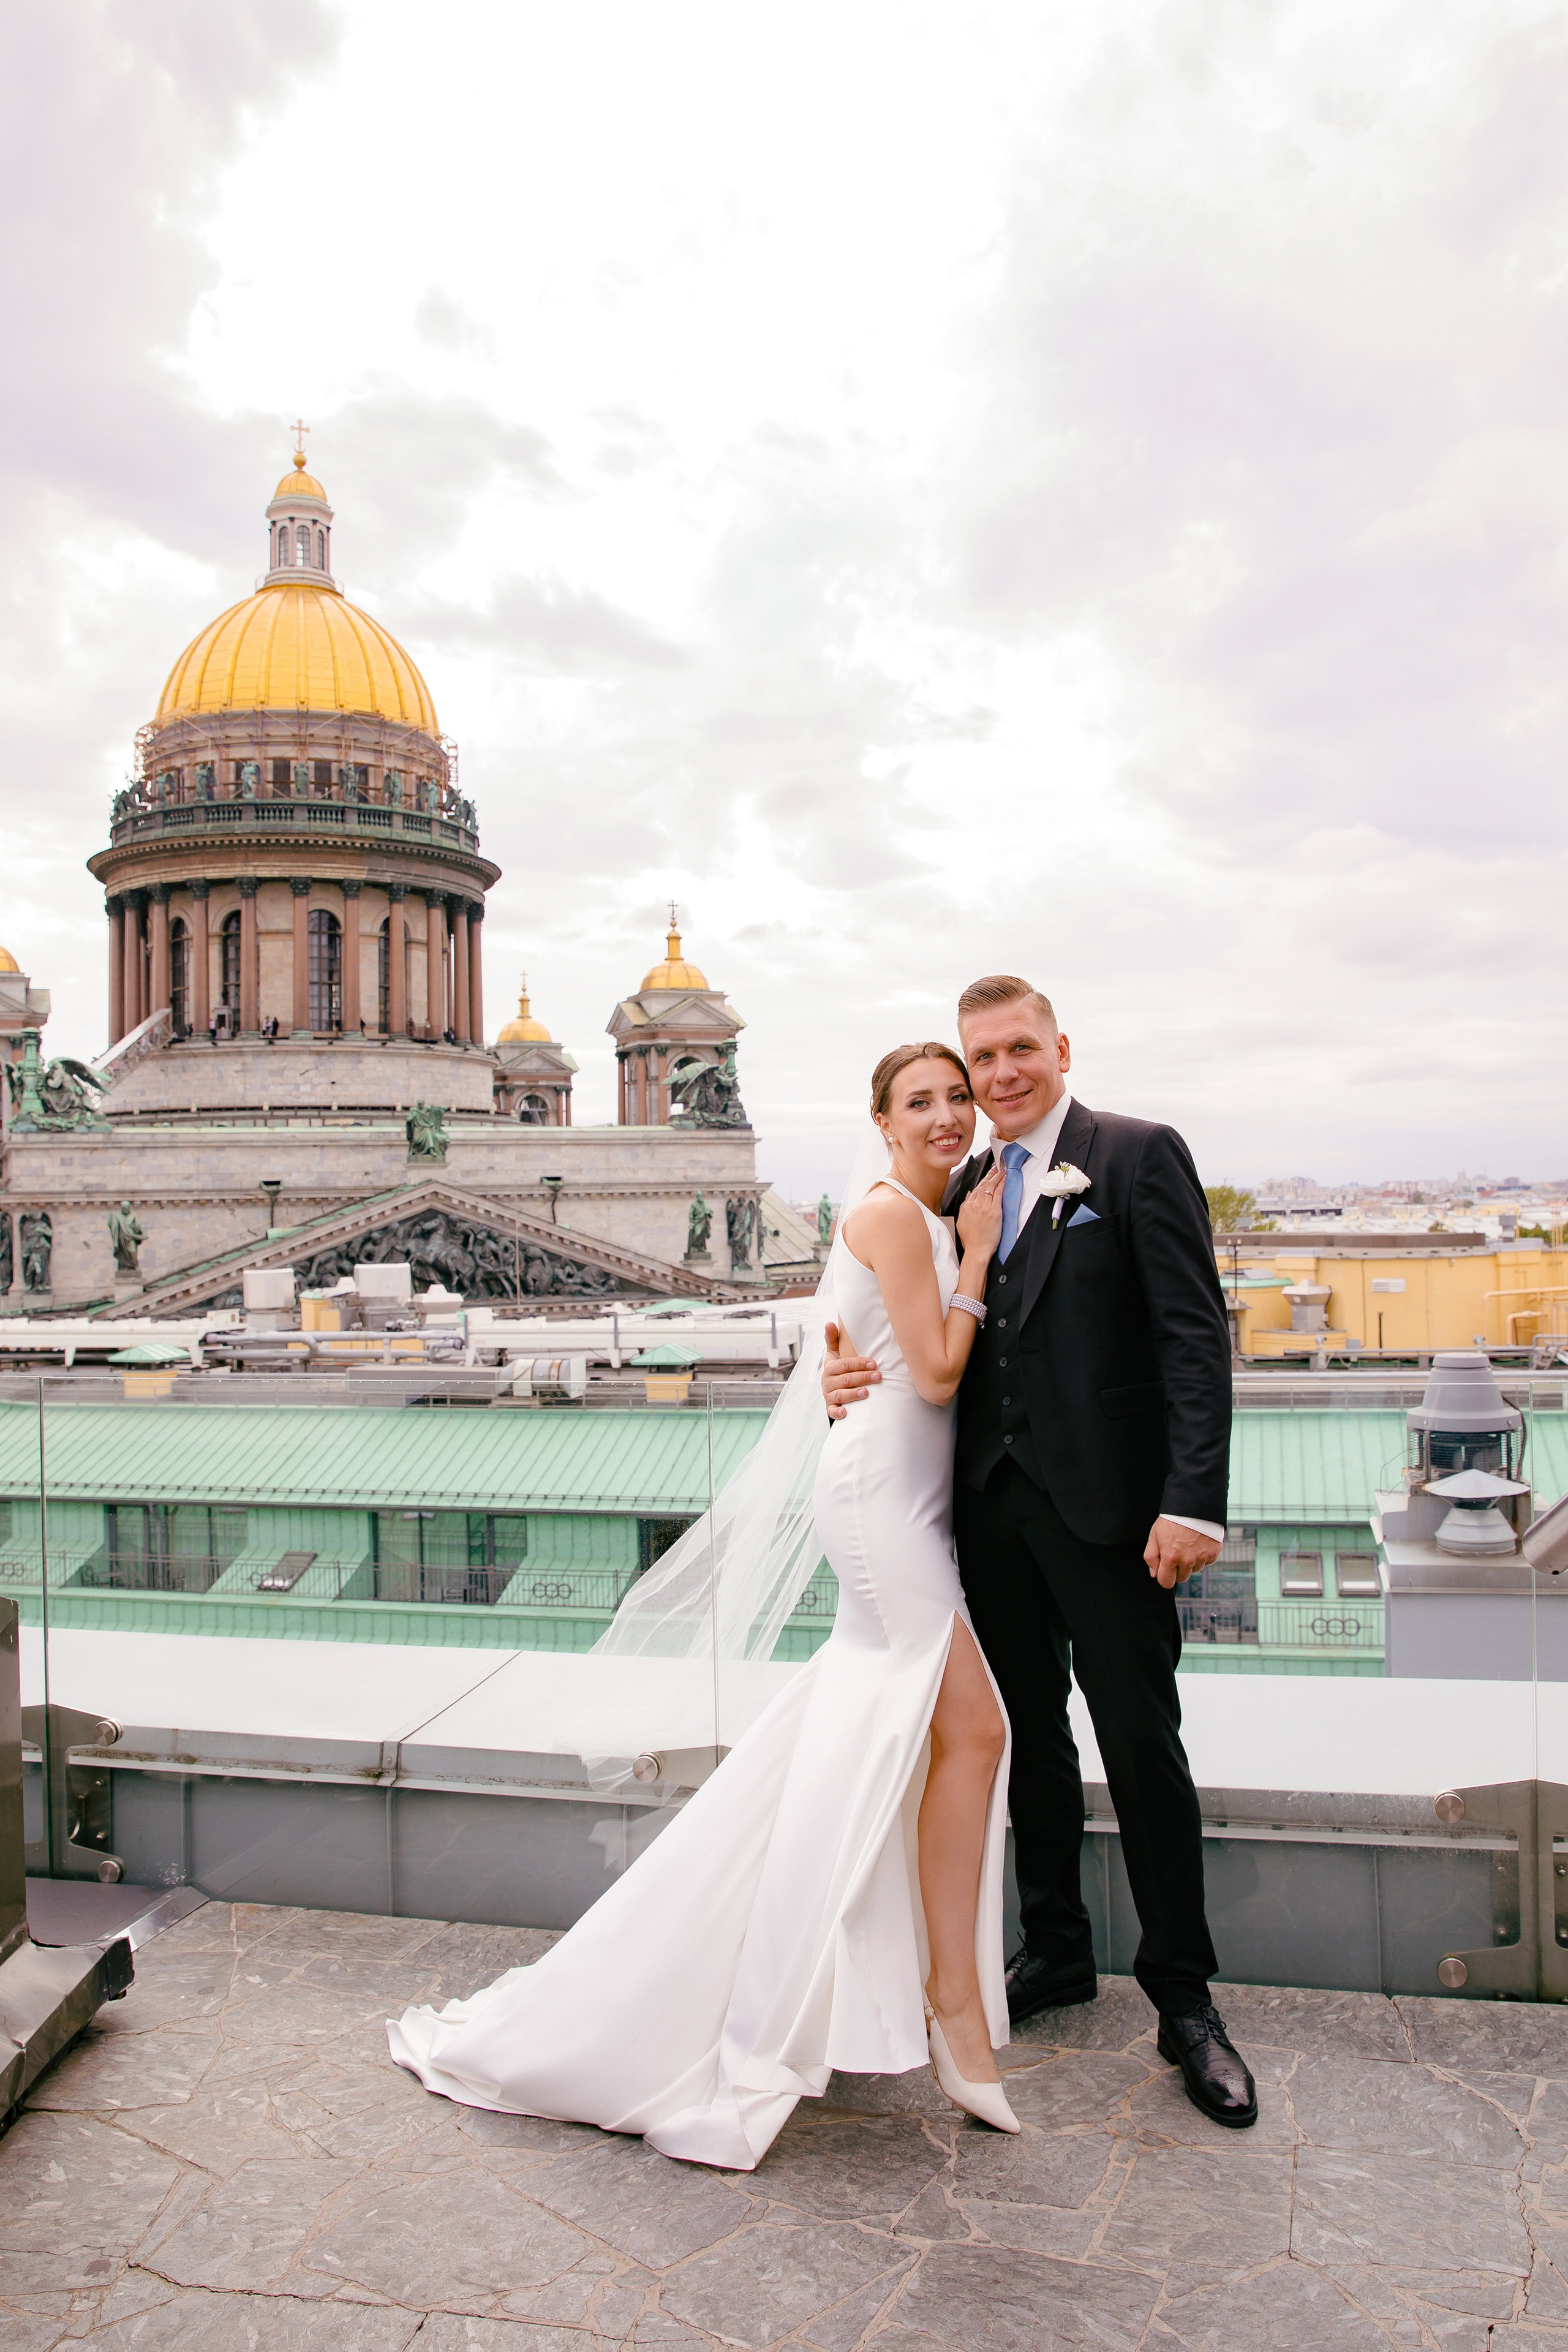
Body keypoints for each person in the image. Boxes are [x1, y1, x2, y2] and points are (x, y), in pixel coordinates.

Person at [388, 1044, 1014, 2166]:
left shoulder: (921, 1212)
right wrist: (972, 1256)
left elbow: (872, 1351)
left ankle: (867, 1985)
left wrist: (938, 1269)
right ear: (880, 1122)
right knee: (970, 1729)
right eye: (920, 1101)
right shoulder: (897, 1216)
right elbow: (932, 1373)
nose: (946, 1115)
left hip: (903, 1497)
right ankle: (940, 2007)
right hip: (883, 1503)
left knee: (867, 1740)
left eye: (956, 1097)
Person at [824, 976, 1255, 2130]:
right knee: (1024, 1740)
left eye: (1020, 1050)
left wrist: (1193, 1503)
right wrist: (839, 1374)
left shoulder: (1137, 1155)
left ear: (1062, 1048)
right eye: (982, 1060)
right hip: (982, 1511)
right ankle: (1055, 1949)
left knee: (1140, 1742)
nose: (1001, 1075)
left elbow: (1192, 1339)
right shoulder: (962, 1181)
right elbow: (897, 1321)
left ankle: (1185, 2000)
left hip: (1112, 1516)